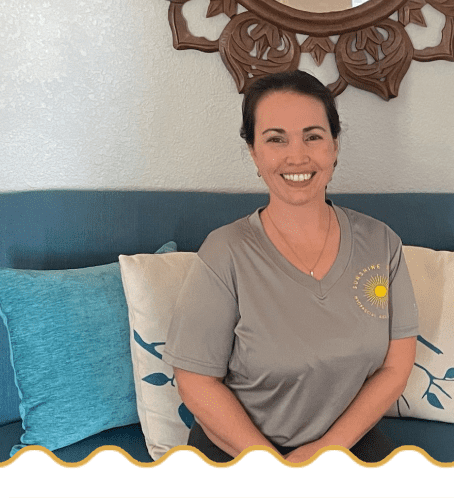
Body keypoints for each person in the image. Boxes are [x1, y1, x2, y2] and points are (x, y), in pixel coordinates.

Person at [162, 70, 418, 463]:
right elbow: (195, 381)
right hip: (237, 451)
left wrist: (324, 451)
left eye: (313, 136)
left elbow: (395, 368)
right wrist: (271, 468)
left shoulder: (381, 244)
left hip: (344, 445)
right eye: (275, 139)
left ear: (334, 145)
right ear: (254, 153)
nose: (296, 155)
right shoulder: (224, 252)